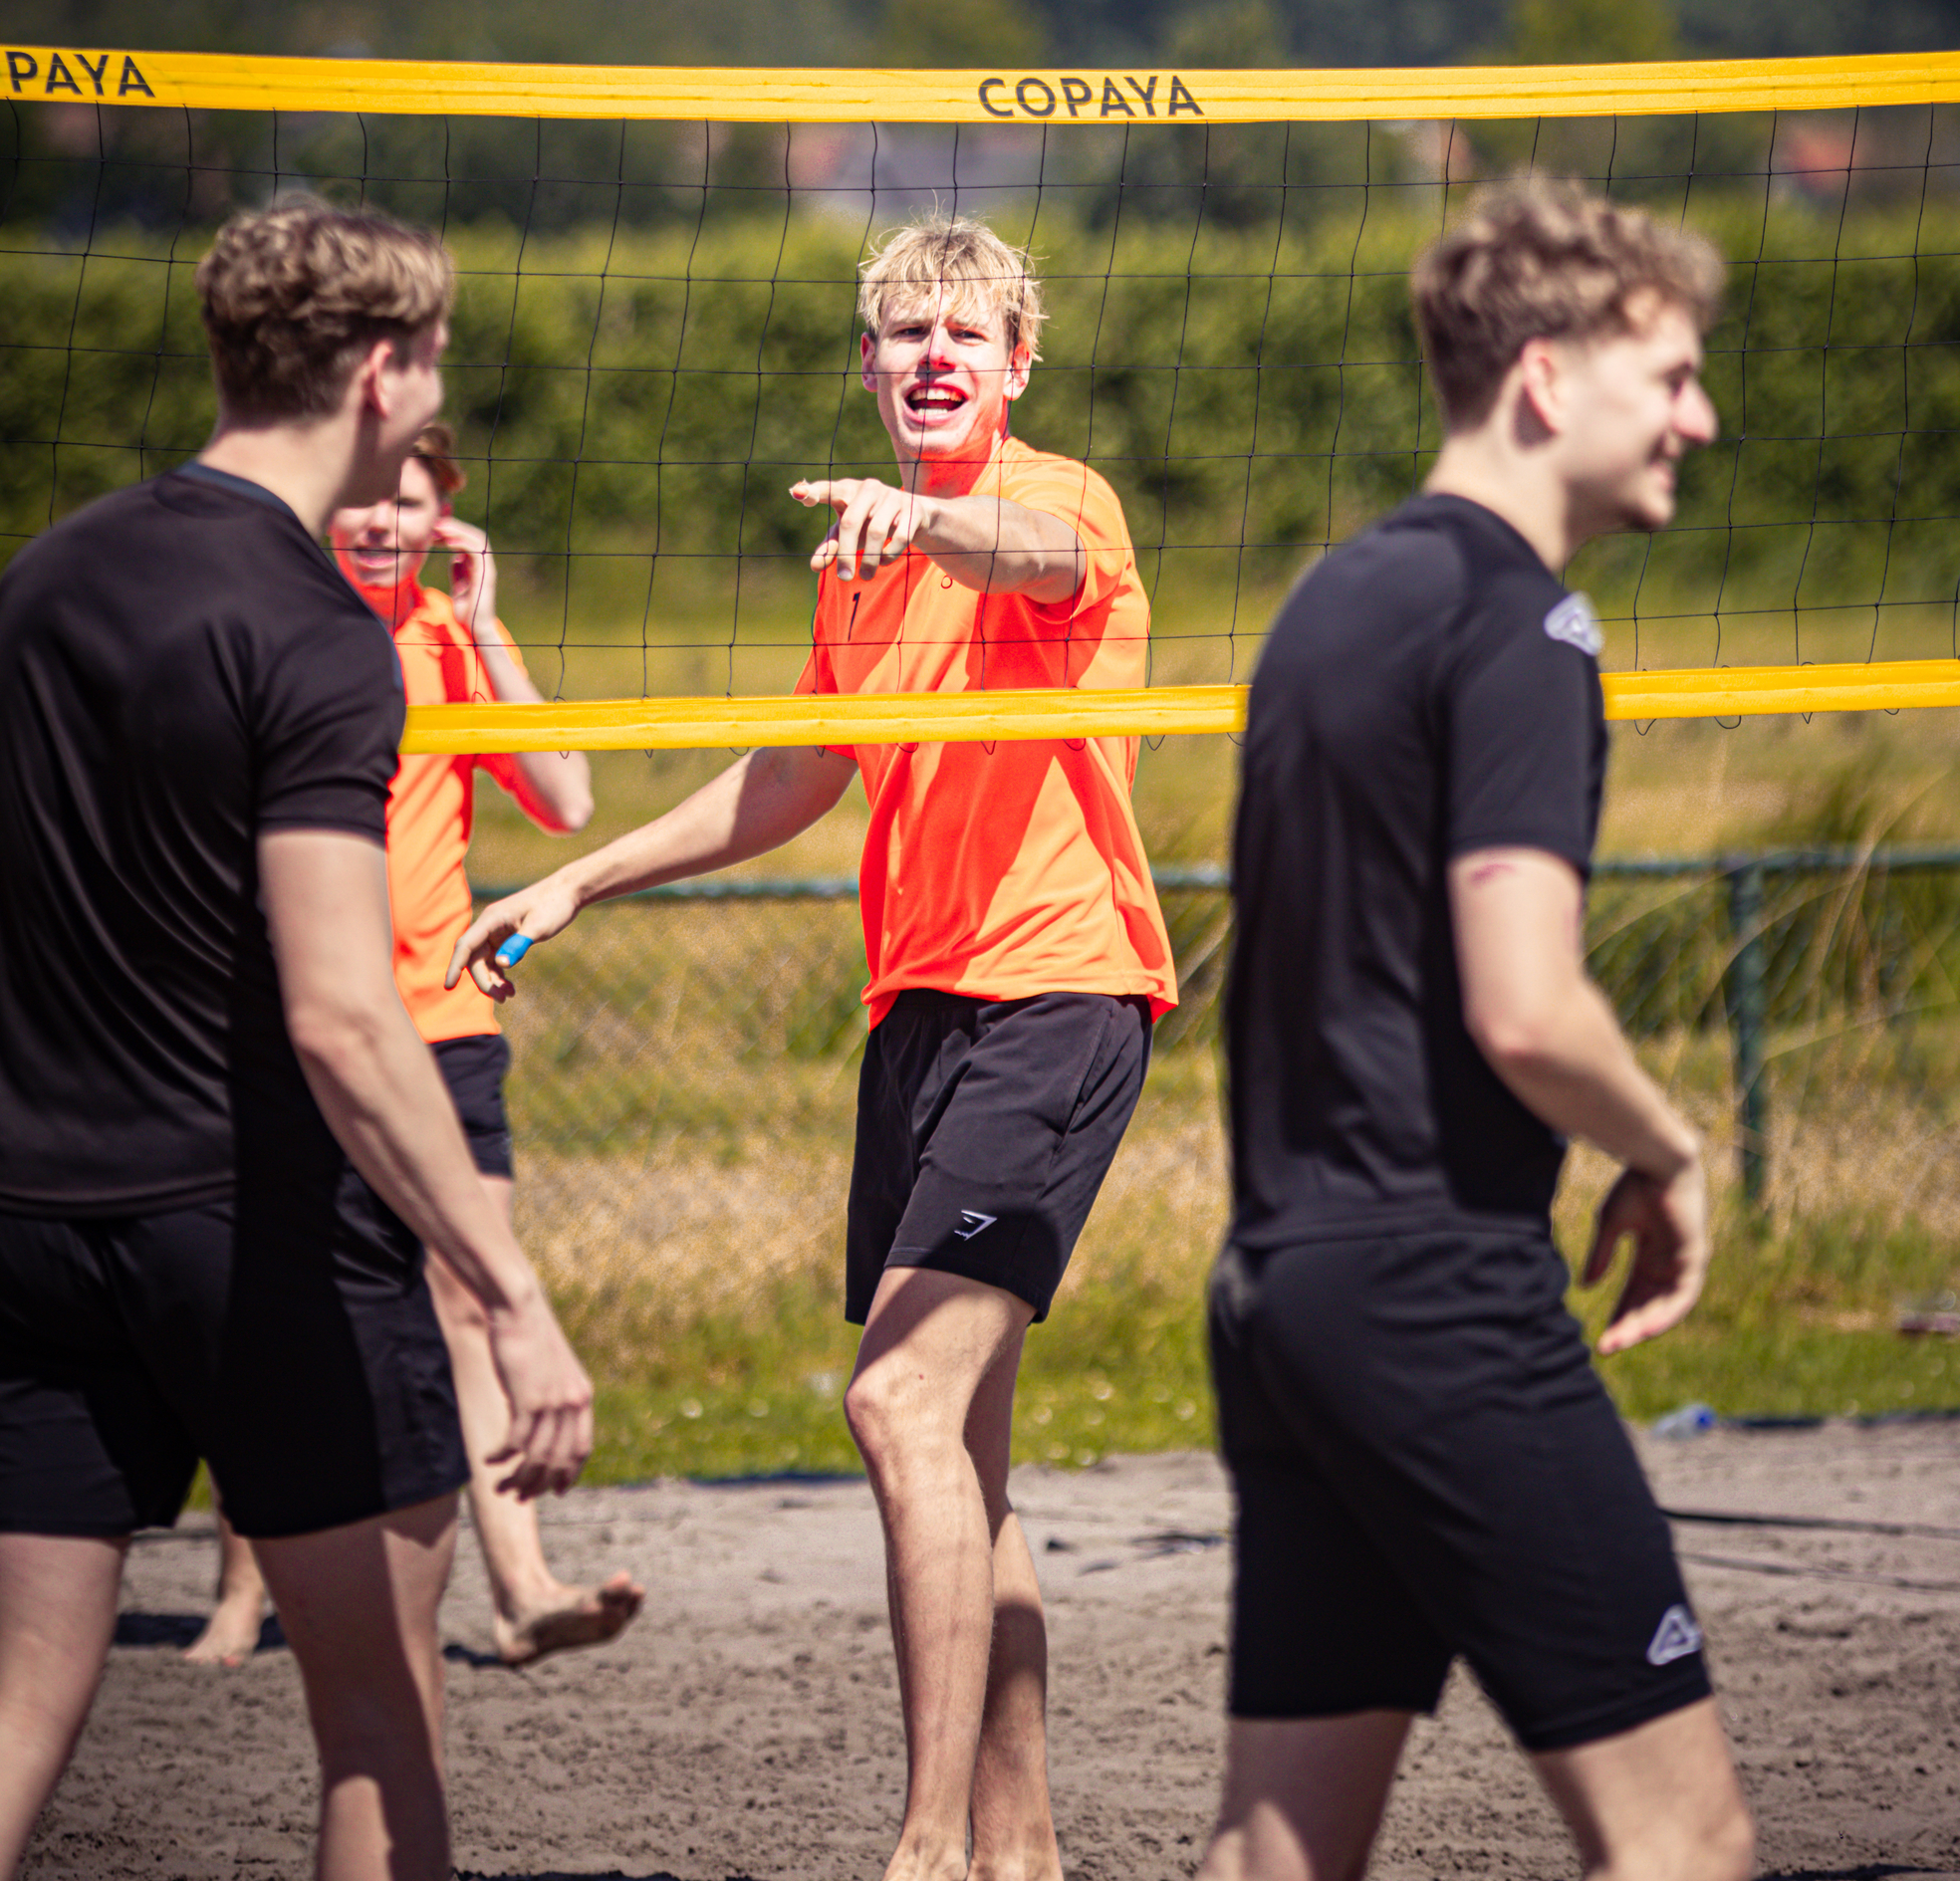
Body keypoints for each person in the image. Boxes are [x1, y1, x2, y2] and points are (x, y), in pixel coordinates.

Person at [454, 214, 1179, 1881]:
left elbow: (1028, 556)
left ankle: (924, 1851)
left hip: (1061, 995)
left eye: (967, 333)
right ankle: (1020, 1853)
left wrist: (931, 519)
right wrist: (576, 879)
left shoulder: (1059, 501)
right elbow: (796, 773)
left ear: (1017, 364)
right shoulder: (858, 565)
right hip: (918, 1013)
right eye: (907, 332)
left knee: (894, 1401)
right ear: (867, 364)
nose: (936, 354)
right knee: (962, 1456)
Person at [0, 198, 593, 1881]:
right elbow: (339, 1012)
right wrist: (510, 1290)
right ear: (382, 371)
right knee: (380, 1728)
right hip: (254, 1224)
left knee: (19, 1700)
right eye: (439, 361)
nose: (438, 394)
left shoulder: (47, 576)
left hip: (32, 1224)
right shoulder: (319, 633)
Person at [1198, 174, 1756, 1881]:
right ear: (1544, 378)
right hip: (1435, 1290)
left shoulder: (1329, 600)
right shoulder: (1522, 619)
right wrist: (1668, 1147)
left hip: (1284, 1289)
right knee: (1686, 1839)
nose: (1699, 419)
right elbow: (1527, 1005)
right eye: (1670, 377)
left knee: (1278, 1853)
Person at [189, 419, 643, 1672]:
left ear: (444, 520)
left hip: (438, 1018)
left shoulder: (449, 640)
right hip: (289, 1023)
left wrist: (486, 625)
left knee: (469, 1288)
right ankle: (239, 1593)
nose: (385, 523)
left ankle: (521, 1589)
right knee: (267, 1303)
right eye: (366, 499)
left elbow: (567, 800)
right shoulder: (270, 626)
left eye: (412, 502)